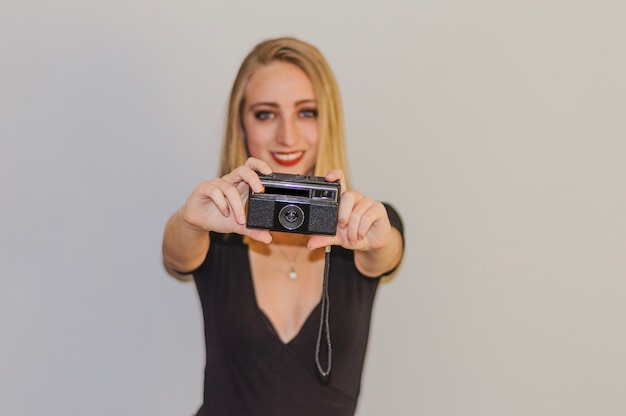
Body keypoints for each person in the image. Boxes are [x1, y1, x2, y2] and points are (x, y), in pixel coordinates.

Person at [162, 36, 404, 416]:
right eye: (265, 113)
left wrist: (375, 237)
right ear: (241, 124)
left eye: (306, 112)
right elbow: (176, 254)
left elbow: (385, 253)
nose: (287, 136)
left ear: (328, 121)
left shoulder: (366, 226)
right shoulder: (218, 226)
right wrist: (190, 220)